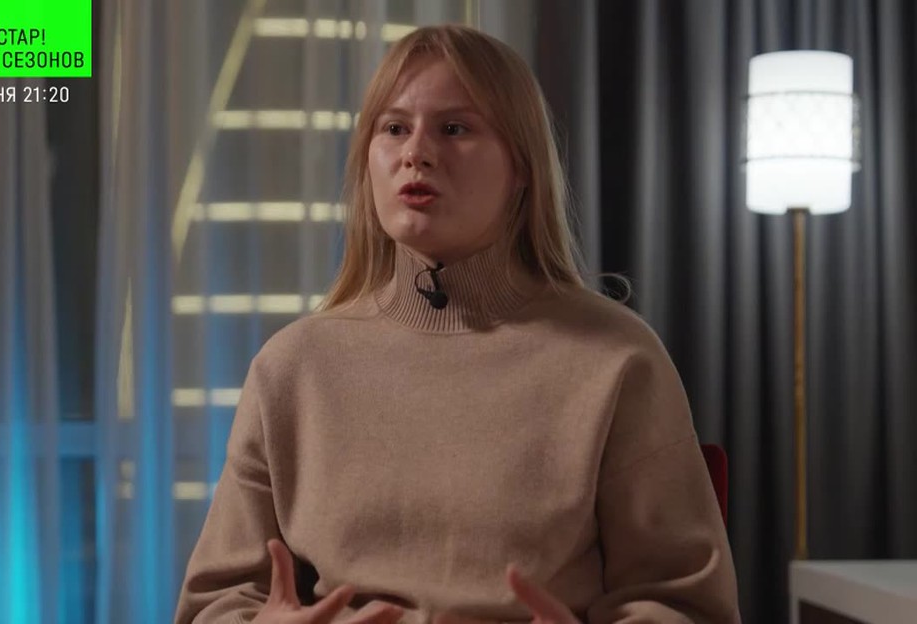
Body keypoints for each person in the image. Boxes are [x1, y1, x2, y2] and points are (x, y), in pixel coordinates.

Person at [174, 24, 740, 624]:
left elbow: (686, 605)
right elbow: (212, 604)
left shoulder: (618, 358)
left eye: (454, 129)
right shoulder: (291, 366)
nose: (416, 153)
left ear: (522, 167)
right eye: (394, 128)